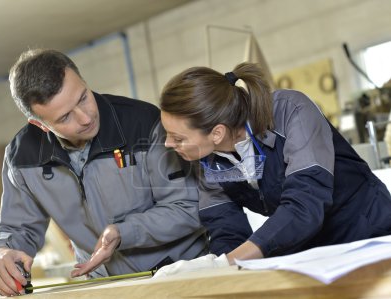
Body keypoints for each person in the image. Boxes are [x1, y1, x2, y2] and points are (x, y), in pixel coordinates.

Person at [0, 49, 208, 296]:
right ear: (39, 124)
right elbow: (16, 228)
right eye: (65, 117)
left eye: (83, 97)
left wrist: (123, 232)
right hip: (105, 288)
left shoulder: (144, 124)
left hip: (181, 280)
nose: (85, 117)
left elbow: (188, 206)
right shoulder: (22, 157)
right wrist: (1, 251)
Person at [154, 62, 391, 276]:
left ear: (217, 132)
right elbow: (226, 226)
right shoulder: (206, 157)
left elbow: (305, 203)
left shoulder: (290, 111)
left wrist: (227, 263)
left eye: (177, 137)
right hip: (309, 251)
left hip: (367, 234)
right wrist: (216, 268)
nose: (167, 144)